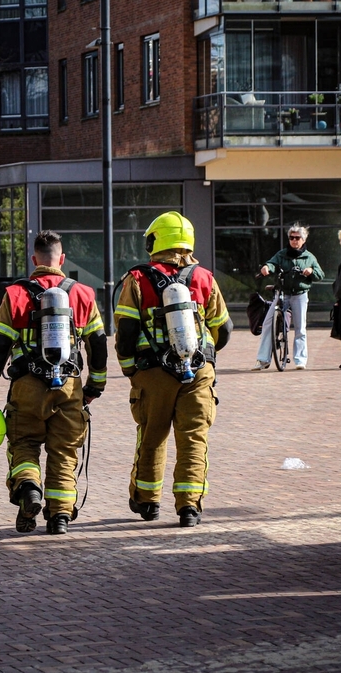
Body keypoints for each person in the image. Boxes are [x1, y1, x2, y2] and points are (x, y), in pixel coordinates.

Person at [0, 230, 107, 535]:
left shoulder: (15, 295)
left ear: (34, 260)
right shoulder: (84, 294)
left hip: (27, 386)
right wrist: (94, 387)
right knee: (64, 451)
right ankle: (60, 516)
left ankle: (30, 487)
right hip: (70, 386)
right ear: (61, 259)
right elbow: (97, 345)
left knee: (24, 443)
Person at [114, 211, 232, 528]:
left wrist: (132, 372)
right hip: (197, 371)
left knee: (152, 438)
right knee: (193, 440)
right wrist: (203, 359)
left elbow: (125, 333)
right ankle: (189, 507)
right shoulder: (204, 278)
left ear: (155, 241)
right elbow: (224, 329)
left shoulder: (136, 280)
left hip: (153, 373)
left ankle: (147, 502)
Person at [251, 223, 324, 371]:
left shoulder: (309, 257)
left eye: (297, 238)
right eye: (291, 238)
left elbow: (320, 275)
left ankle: (300, 360)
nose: (294, 241)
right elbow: (272, 263)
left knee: (300, 328)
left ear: (303, 240)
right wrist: (267, 268)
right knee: (268, 323)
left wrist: (311, 271)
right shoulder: (282, 254)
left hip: (300, 295)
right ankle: (263, 360)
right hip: (282, 292)